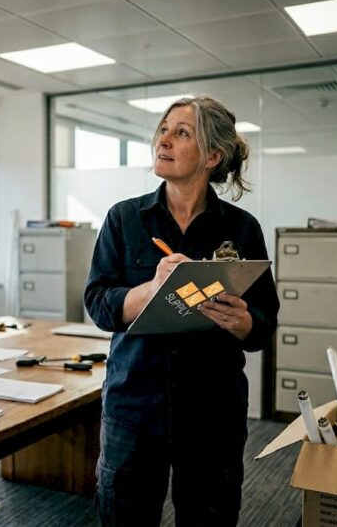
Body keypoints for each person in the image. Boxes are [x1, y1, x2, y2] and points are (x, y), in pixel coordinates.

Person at [84, 95, 279, 525]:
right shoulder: (124, 219)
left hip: (213, 414)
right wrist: (152, 289)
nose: (164, 139)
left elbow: (264, 325)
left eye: (182, 132)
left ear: (213, 155)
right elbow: (98, 303)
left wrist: (244, 322)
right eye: (164, 129)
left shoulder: (242, 229)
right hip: (133, 410)